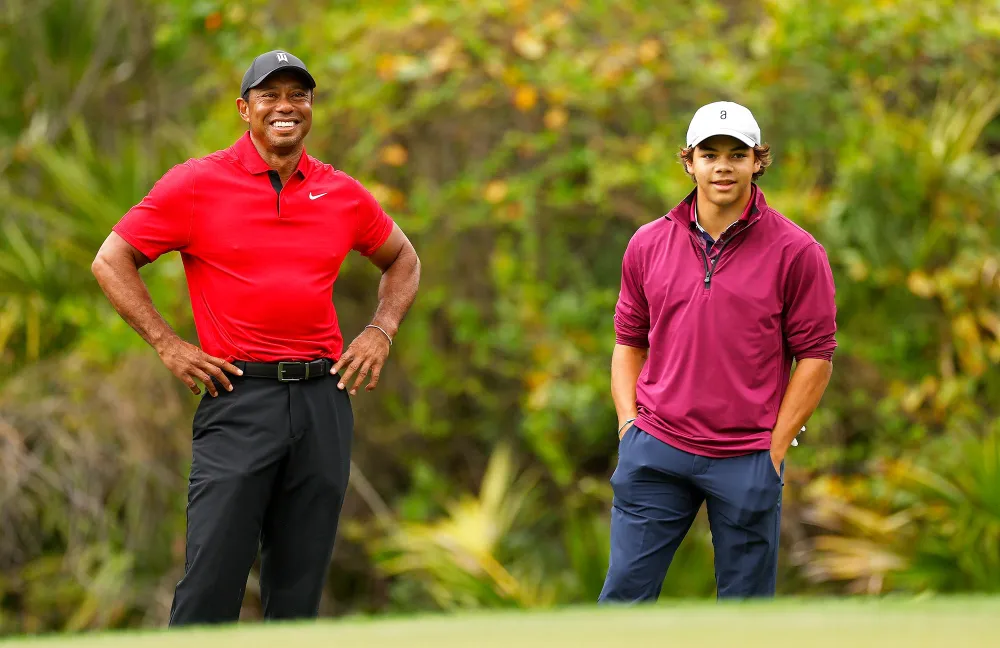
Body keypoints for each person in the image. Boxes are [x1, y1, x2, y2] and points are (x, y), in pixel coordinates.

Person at [91, 49, 421, 625]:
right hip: (240, 396)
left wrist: (380, 329)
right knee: (213, 576)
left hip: (324, 399)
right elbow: (111, 259)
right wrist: (169, 344)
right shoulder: (195, 183)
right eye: (270, 96)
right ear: (245, 109)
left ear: (311, 107)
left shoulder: (340, 192)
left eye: (298, 95)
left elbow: (404, 259)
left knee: (299, 583)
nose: (285, 107)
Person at [599, 101, 836, 602]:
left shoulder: (797, 252)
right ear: (689, 162)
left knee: (745, 618)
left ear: (757, 161)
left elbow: (815, 357)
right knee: (623, 601)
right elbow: (628, 342)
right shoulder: (647, 243)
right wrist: (628, 425)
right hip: (657, 448)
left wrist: (774, 448)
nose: (723, 166)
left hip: (747, 456)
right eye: (710, 154)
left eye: (737, 154)